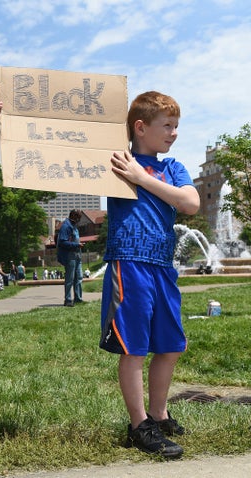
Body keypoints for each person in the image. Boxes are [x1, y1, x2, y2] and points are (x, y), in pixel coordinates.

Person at [99, 91, 199, 458]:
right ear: (140, 127)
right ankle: (139, 424)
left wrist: (142, 178)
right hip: (128, 264)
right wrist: (8, 120)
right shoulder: (116, 161)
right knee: (134, 347)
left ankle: (158, 413)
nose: (174, 133)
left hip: (162, 267)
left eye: (176, 126)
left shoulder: (172, 168)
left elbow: (189, 203)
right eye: (167, 126)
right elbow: (60, 149)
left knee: (171, 346)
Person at [57, 209, 84, 307]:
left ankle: (78, 299)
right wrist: (76, 245)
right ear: (74, 216)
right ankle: (68, 300)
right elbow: (62, 242)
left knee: (79, 277)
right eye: (79, 218)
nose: (79, 220)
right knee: (70, 279)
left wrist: (78, 246)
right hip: (70, 256)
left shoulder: (74, 226)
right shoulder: (66, 226)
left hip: (77, 255)